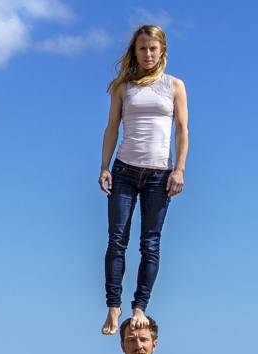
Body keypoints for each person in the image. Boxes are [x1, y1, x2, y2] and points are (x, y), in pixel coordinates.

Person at [99, 25, 189, 336]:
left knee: (150, 244)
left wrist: (179, 170)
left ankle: (140, 307)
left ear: (162, 50)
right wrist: (104, 167)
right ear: (134, 52)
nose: (148, 54)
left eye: (153, 48)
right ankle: (114, 306)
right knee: (117, 240)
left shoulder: (174, 85)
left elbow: (181, 131)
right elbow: (112, 127)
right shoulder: (123, 87)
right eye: (142, 49)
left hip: (159, 175)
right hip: (124, 170)